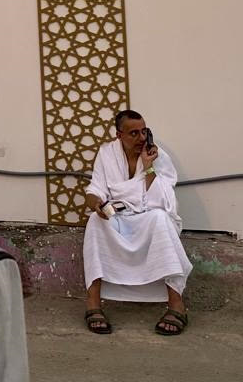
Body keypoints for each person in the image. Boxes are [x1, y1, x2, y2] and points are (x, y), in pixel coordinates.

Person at [82, 109, 192, 336]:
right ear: (119, 135)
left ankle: (176, 304)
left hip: (148, 215)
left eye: (144, 131)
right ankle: (93, 303)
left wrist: (148, 165)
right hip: (119, 215)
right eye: (134, 133)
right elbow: (95, 189)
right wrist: (97, 205)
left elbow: (163, 201)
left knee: (160, 219)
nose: (141, 138)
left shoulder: (157, 155)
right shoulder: (107, 153)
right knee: (94, 222)